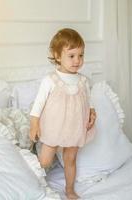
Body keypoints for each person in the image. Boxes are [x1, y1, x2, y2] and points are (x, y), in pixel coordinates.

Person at [29, 28, 96, 199]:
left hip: (74, 127)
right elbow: (38, 104)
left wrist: (92, 111)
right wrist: (34, 124)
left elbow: (88, 99)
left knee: (70, 159)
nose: (77, 61)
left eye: (81, 55)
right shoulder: (50, 80)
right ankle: (30, 181)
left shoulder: (83, 80)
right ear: (58, 56)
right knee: (45, 161)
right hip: (54, 127)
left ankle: (70, 189)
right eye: (71, 56)